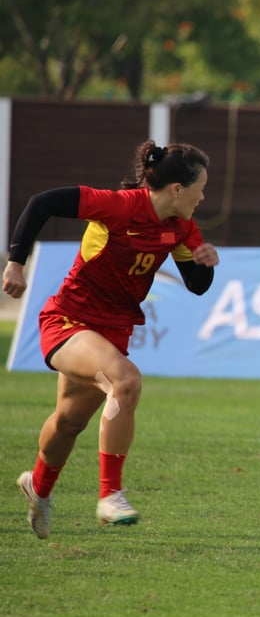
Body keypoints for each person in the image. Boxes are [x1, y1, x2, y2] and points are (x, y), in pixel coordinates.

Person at [2, 140, 219, 539]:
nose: (203, 196)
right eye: (200, 187)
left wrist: (205, 263)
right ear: (175, 189)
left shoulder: (182, 226)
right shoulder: (120, 206)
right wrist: (15, 262)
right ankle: (110, 495)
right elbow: (41, 203)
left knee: (68, 422)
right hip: (69, 320)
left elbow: (197, 286)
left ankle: (38, 486)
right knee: (126, 381)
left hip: (112, 332)